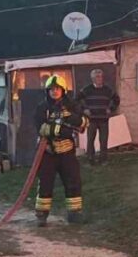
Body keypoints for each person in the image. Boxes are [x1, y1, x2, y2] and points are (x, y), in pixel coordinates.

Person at [34, 74, 88, 226]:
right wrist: (60, 128)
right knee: (45, 183)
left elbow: (84, 123)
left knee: (73, 182)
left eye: (57, 89)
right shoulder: (42, 108)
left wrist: (70, 118)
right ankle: (42, 216)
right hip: (48, 152)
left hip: (67, 151)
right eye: (51, 89)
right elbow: (41, 128)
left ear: (63, 90)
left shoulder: (72, 106)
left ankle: (75, 214)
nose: (54, 92)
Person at [77, 69, 119, 165]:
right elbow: (76, 99)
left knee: (103, 140)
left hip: (103, 119)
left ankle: (103, 160)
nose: (100, 78)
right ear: (92, 78)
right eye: (97, 77)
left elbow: (117, 99)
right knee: (90, 140)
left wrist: (111, 109)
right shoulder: (87, 90)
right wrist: (84, 109)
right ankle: (90, 159)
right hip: (91, 119)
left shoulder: (108, 90)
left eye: (101, 76)